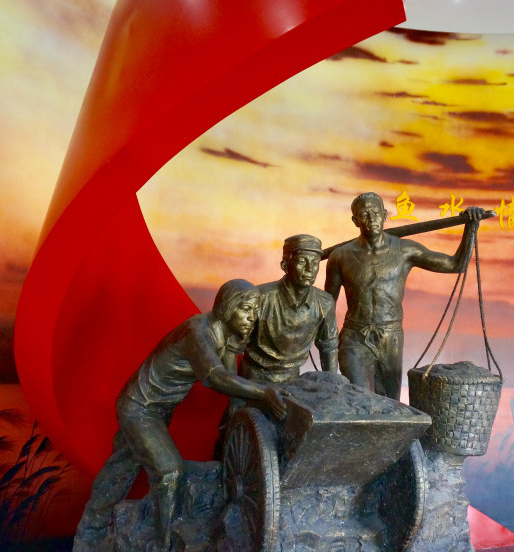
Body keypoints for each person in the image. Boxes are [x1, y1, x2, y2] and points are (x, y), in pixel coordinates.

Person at [73, 279, 287, 551]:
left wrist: (239, 425)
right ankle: (162, 543)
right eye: (246, 309)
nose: (252, 317)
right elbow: (216, 378)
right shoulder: (197, 333)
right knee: (170, 473)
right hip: (140, 407)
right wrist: (264, 392)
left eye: (256, 311)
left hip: (158, 409)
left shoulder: (228, 337)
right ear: (226, 307)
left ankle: (89, 535)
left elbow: (231, 386)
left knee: (120, 469)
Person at [324, 192, 484, 401]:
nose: (371, 218)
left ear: (384, 215)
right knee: (359, 399)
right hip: (355, 337)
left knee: (391, 403)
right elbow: (326, 305)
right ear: (355, 220)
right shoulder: (340, 256)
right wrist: (326, 347)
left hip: (390, 337)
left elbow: (456, 265)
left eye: (375, 213)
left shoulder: (405, 250)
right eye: (364, 214)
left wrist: (470, 228)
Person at [242, 234, 338, 384]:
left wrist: (332, 385)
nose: (309, 269)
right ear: (285, 266)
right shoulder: (260, 298)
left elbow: (329, 346)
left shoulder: (325, 303)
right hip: (254, 377)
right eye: (302, 261)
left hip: (293, 380)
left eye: (315, 263)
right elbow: (233, 344)